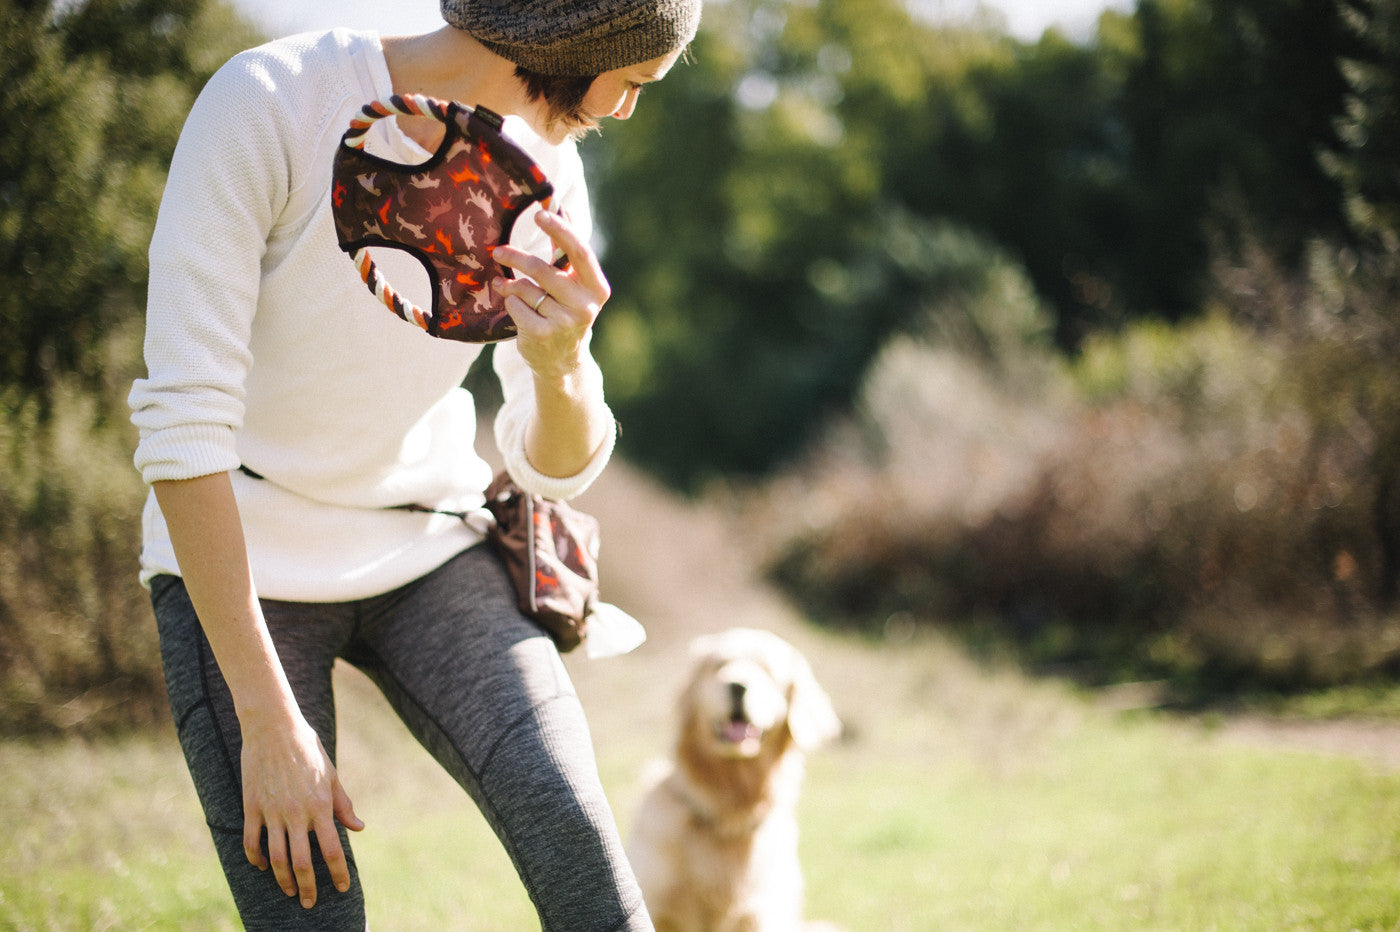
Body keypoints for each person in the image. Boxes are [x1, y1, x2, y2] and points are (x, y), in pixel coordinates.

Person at [127, 0, 700, 928]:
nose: (628, 109)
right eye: (632, 82)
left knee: (584, 858)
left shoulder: (547, 172)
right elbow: (183, 426)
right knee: (309, 907)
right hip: (245, 562)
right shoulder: (269, 102)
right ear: (579, 40)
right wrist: (268, 724)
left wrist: (561, 368)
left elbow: (555, 470)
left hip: (428, 544)